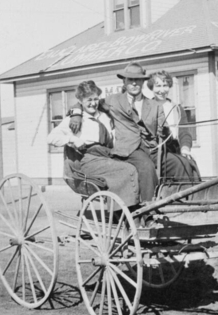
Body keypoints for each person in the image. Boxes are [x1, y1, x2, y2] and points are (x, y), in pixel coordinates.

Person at [69, 64, 159, 203]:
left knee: (177, 163)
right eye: (130, 80)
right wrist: (76, 114)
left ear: (143, 82)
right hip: (128, 148)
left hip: (151, 147)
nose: (134, 83)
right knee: (146, 166)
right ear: (124, 81)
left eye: (138, 80)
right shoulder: (113, 100)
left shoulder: (152, 104)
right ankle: (149, 211)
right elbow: (88, 100)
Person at [48, 80, 139, 208]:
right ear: (80, 102)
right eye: (88, 100)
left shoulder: (105, 116)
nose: (93, 103)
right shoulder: (74, 120)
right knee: (127, 170)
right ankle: (124, 211)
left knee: (136, 166)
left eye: (95, 99)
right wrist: (72, 139)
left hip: (107, 155)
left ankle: (131, 207)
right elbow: (51, 138)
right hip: (88, 159)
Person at [147, 70, 201, 180]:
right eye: (158, 86)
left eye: (165, 86)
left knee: (192, 165)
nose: (162, 90)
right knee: (181, 165)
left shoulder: (177, 108)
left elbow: (184, 132)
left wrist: (185, 149)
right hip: (158, 151)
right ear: (152, 88)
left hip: (176, 149)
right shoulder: (147, 108)